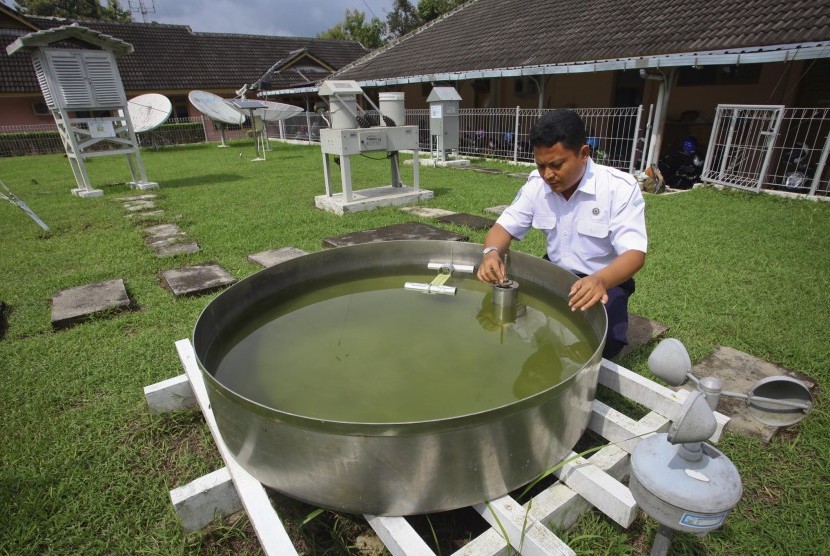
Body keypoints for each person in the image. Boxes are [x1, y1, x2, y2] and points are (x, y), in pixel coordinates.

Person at [476, 109, 647, 359]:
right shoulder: (537, 185)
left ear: (584, 154)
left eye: (556, 165)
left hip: (604, 278)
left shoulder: (618, 188)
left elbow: (634, 253)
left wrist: (599, 281)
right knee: (505, 310)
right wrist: (491, 253)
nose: (547, 174)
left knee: (604, 342)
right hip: (554, 274)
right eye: (541, 165)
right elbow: (503, 227)